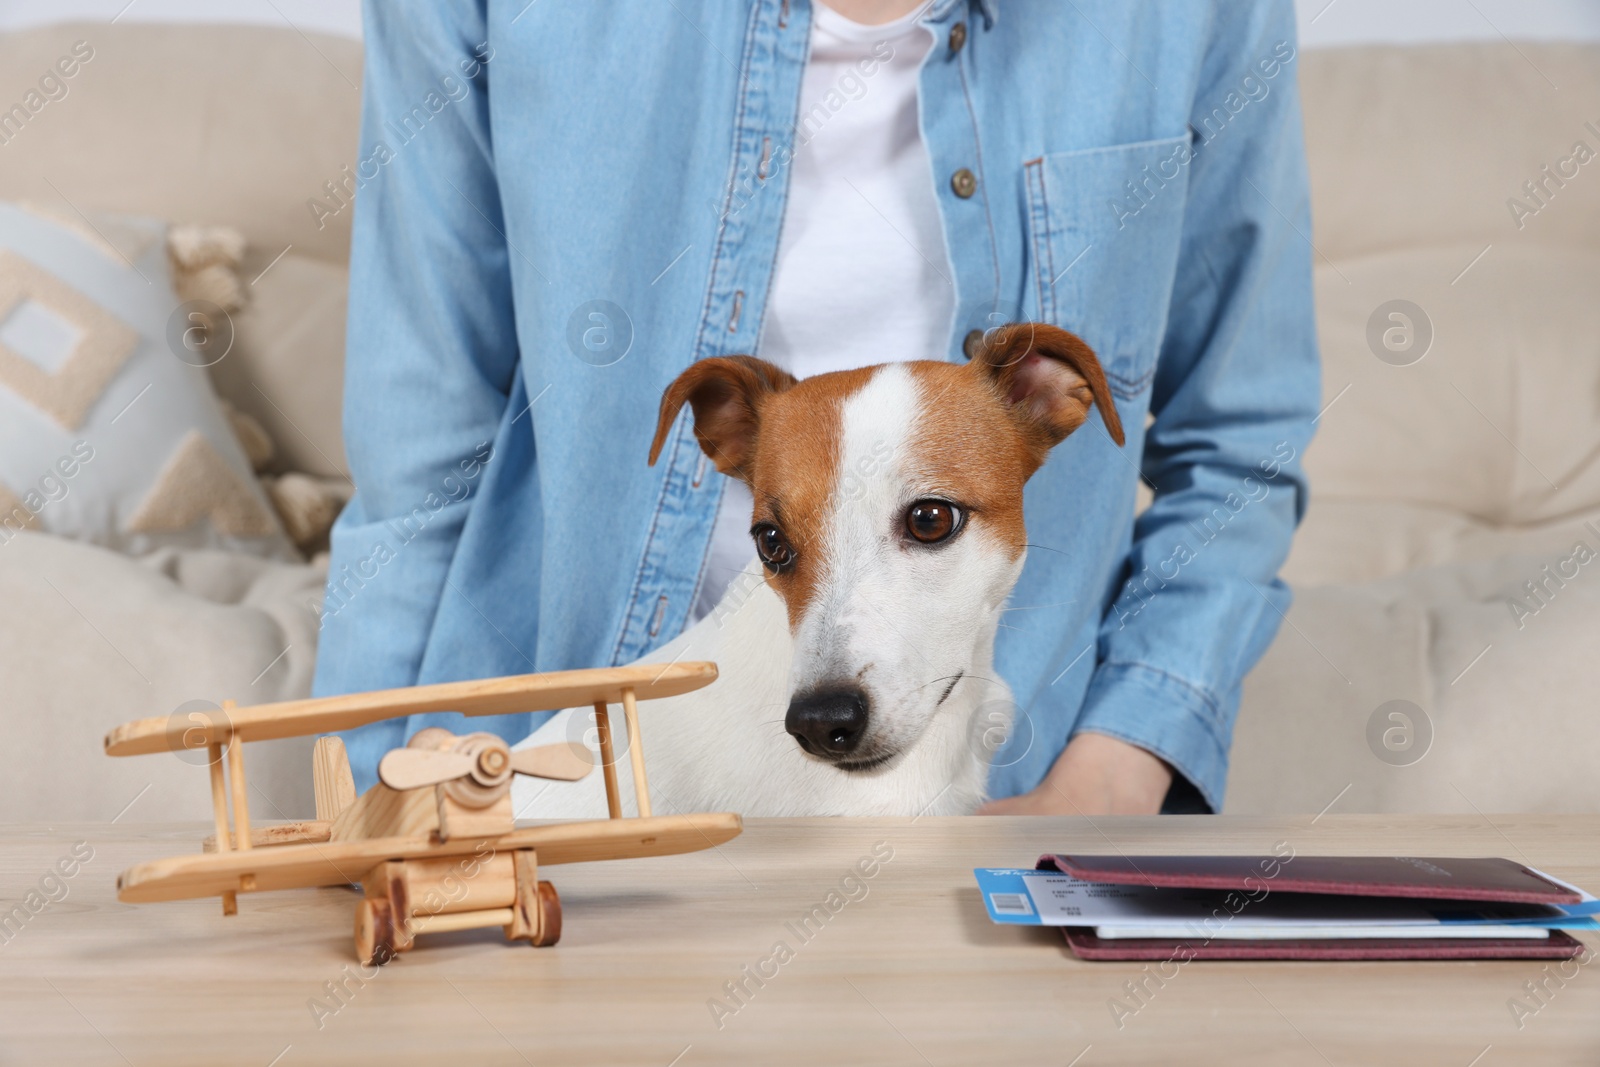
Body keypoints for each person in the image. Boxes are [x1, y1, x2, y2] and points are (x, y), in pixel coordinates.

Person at [313, 0, 1320, 816]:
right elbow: (420, 458)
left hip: (1005, 811)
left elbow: (1242, 445)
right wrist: (367, 807)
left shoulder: (1195, 17)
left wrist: (1111, 772)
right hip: (542, 790)